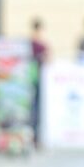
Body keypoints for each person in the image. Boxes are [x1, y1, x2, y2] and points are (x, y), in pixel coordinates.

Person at [30, 18, 48, 148]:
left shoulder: (41, 45)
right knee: (34, 110)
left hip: (39, 81)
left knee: (38, 110)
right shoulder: (33, 45)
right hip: (33, 80)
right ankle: (34, 138)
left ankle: (37, 137)